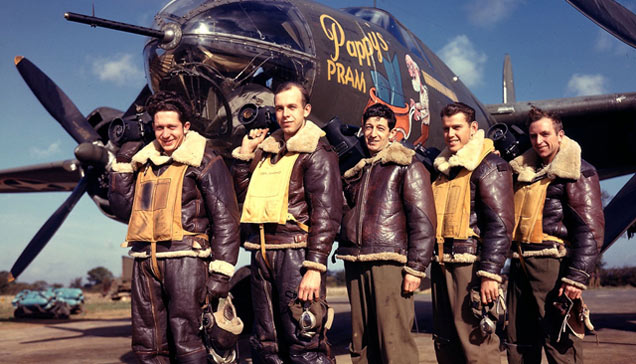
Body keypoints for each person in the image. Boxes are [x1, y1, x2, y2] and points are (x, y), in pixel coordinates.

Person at [109, 91, 241, 364]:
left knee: (188, 341)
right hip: (146, 261)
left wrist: (221, 273)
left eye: (172, 127)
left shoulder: (206, 160)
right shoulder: (143, 163)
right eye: (159, 127)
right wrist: (123, 162)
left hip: (186, 260)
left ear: (186, 127)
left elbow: (226, 219)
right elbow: (124, 210)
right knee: (147, 344)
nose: (165, 134)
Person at [231, 81, 342, 364]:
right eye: (280, 108)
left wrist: (315, 267)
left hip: (296, 254)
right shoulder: (268, 152)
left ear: (306, 110)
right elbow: (245, 195)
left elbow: (326, 213)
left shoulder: (317, 152)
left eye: (292, 107)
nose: (285, 114)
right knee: (265, 343)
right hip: (262, 253)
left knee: (304, 340)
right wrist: (246, 154)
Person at [336, 103, 436, 363]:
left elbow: (423, 221)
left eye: (380, 128)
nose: (373, 133)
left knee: (394, 345)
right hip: (355, 263)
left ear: (392, 133)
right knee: (361, 345)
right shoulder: (357, 171)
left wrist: (416, 268)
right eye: (368, 127)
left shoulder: (407, 166)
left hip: (389, 265)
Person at [505, 106, 604, 364]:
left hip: (552, 265)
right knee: (518, 343)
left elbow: (590, 230)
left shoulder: (579, 171)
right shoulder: (523, 172)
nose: (539, 141)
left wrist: (576, 277)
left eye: (545, 134)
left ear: (560, 135)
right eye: (534, 136)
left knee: (560, 343)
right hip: (519, 264)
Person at [430, 102, 514, 364]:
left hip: (471, 269)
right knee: (446, 345)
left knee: (478, 346)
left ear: (473, 128)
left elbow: (500, 225)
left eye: (457, 127)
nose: (450, 134)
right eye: (446, 129)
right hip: (442, 265)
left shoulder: (489, 165)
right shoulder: (443, 170)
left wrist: (490, 274)